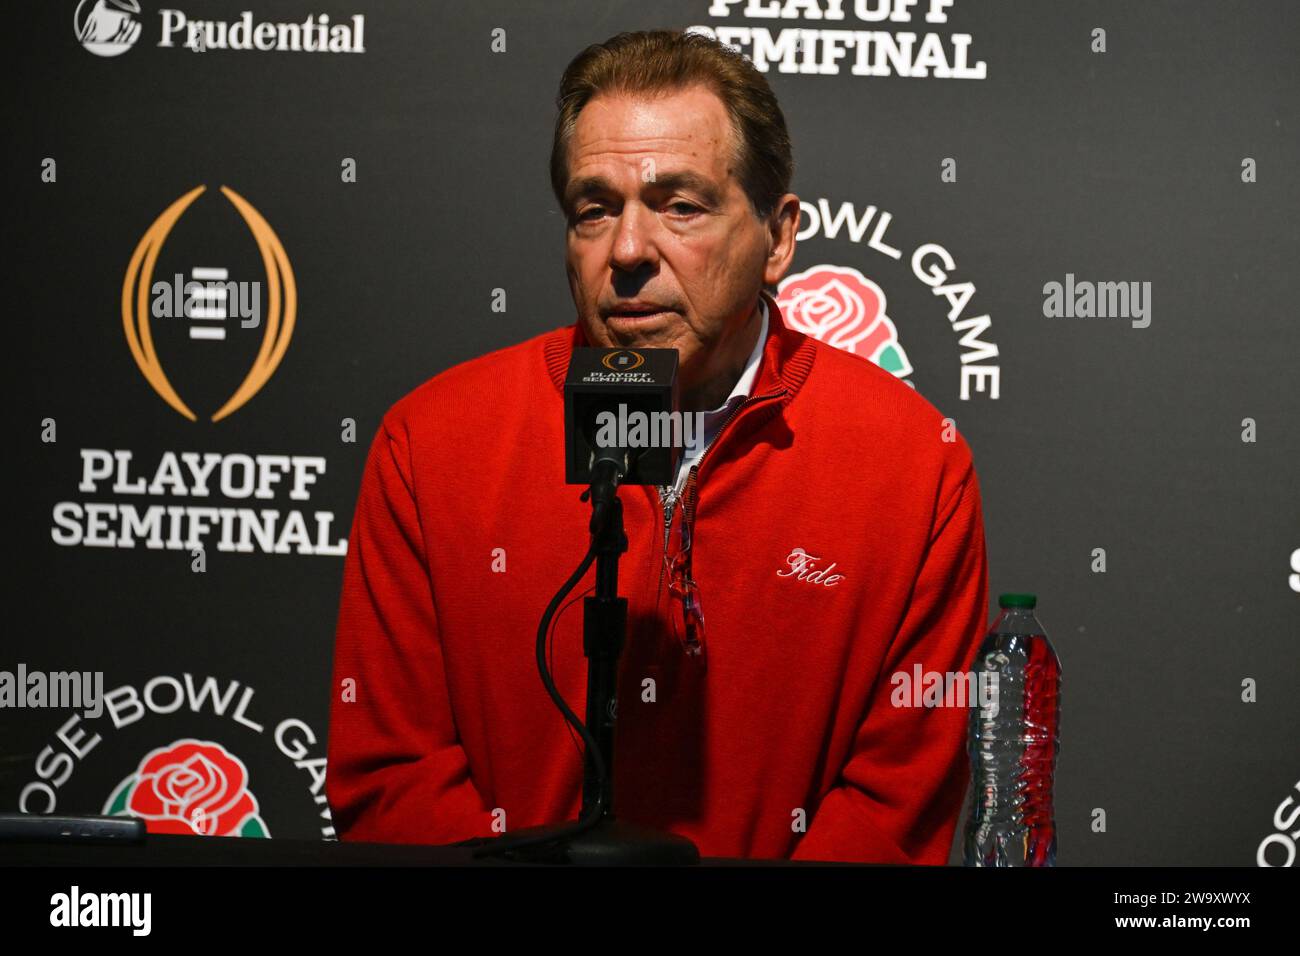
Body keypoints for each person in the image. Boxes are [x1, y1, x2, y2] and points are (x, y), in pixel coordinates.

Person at [325, 29, 989, 864]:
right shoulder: (431, 443)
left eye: (682, 206)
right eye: (594, 209)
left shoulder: (913, 464)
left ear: (779, 238)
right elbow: (393, 772)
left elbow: (898, 801)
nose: (629, 251)